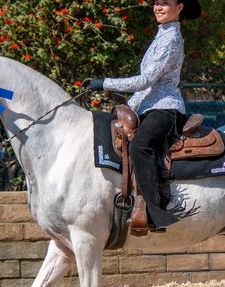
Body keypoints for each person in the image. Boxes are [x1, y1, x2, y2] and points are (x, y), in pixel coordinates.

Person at [86, 0, 201, 230]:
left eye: (164, 3)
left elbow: (145, 81)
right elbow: (147, 88)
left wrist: (105, 83)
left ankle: (156, 214)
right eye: (156, 3)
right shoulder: (161, 36)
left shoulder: (171, 39)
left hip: (166, 109)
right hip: (149, 106)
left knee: (140, 147)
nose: (158, 7)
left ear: (179, 7)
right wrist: (129, 105)